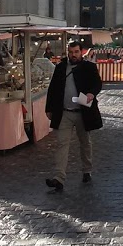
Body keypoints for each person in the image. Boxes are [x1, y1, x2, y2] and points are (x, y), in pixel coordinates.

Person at [45, 40, 103, 190]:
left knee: (85, 142)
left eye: (76, 52)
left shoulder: (89, 67)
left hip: (83, 112)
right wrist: (49, 108)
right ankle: (59, 178)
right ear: (67, 52)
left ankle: (87, 170)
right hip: (64, 112)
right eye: (71, 52)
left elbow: (97, 83)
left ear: (81, 52)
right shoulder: (60, 67)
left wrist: (91, 93)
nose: (73, 55)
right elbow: (53, 89)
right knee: (61, 144)